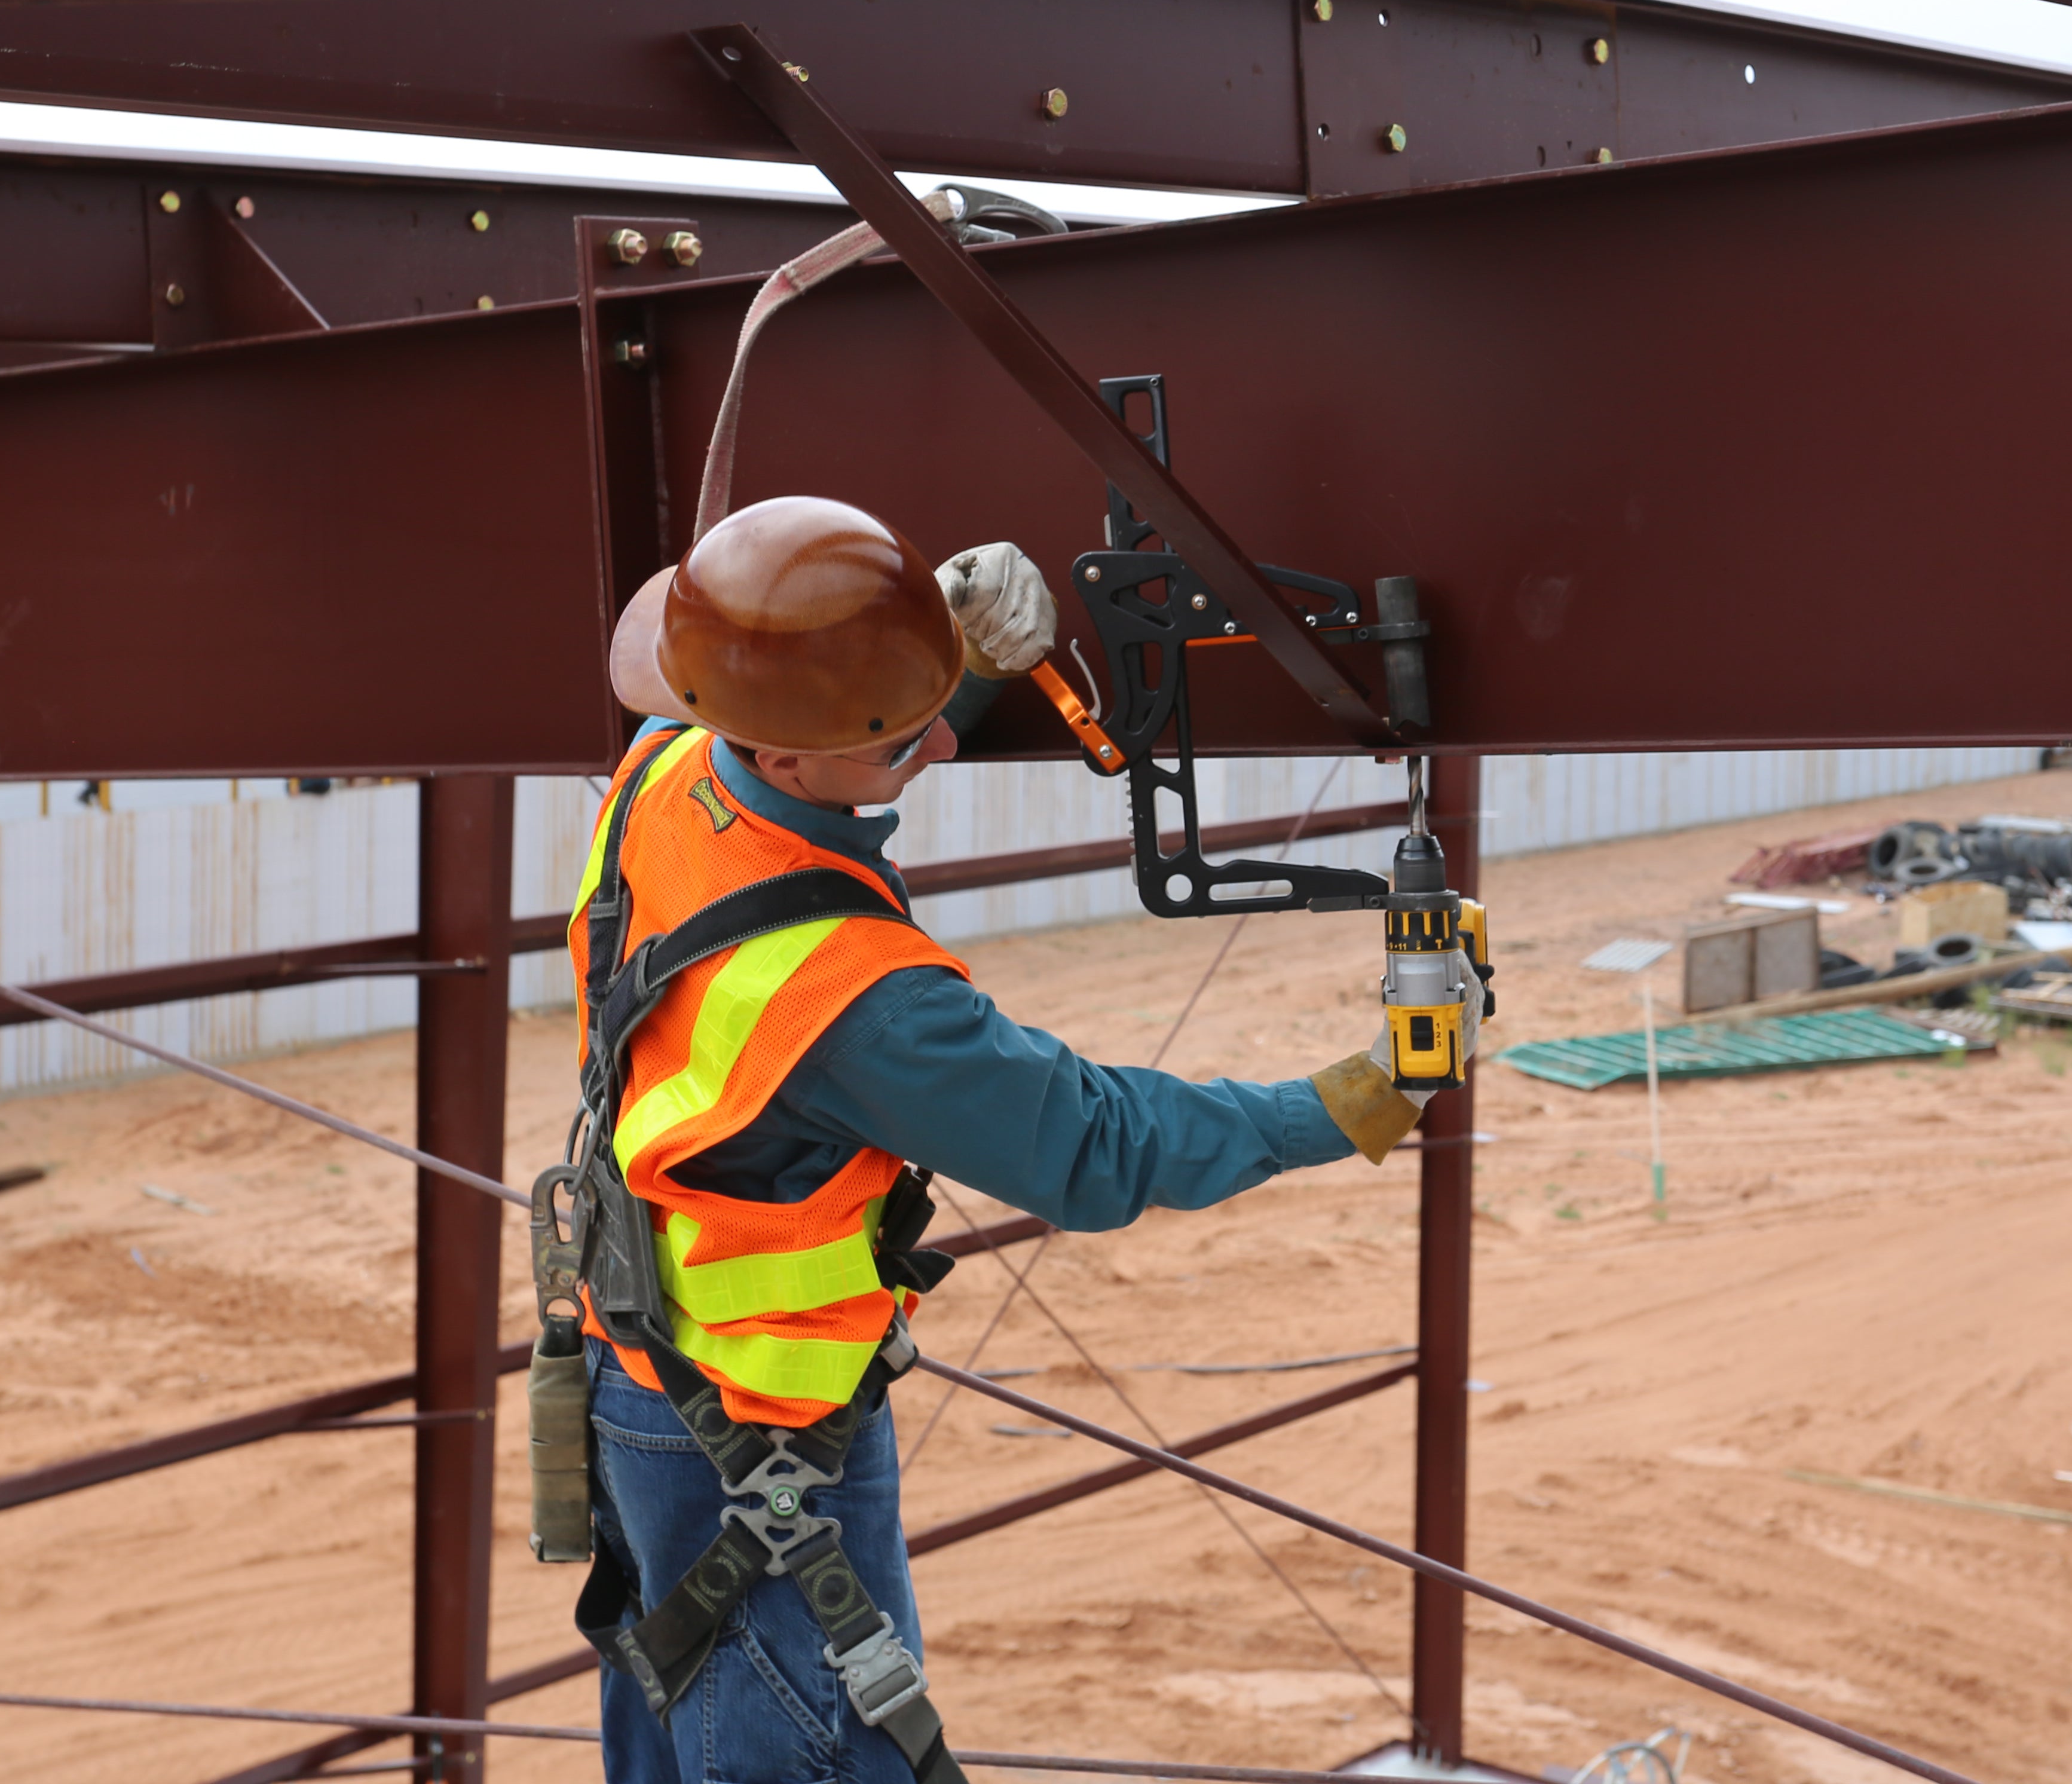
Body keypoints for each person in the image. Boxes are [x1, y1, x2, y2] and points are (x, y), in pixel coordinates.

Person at [559, 494, 1457, 1784]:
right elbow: (1094, 1147)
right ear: (798, 755)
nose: (931, 747)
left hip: (639, 1375)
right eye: (901, 739)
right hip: (757, 1439)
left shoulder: (665, 764)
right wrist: (1364, 1097)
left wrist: (952, 659)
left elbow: (812, 716)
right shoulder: (855, 1001)